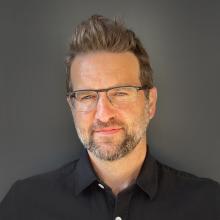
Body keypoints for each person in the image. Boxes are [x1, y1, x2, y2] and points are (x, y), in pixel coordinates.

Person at [0, 15, 219, 220]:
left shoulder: (209, 205)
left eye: (120, 93)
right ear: (72, 106)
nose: (104, 115)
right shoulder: (24, 206)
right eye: (87, 96)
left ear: (150, 103)